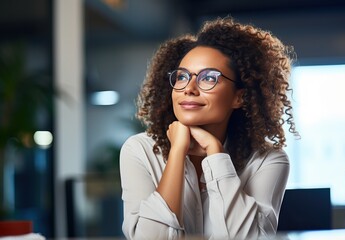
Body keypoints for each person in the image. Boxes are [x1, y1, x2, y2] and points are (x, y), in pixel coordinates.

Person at [120, 16, 297, 239]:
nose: (189, 88)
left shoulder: (267, 160)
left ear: (239, 97)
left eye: (209, 78)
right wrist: (177, 152)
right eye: (182, 76)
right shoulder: (139, 150)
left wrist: (215, 153)